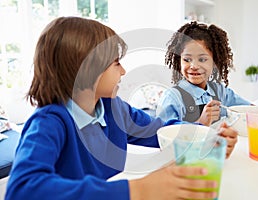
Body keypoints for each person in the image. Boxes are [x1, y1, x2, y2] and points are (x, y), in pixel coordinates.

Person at [5, 17, 238, 200]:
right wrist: (138, 191)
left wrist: (205, 136)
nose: (124, 71)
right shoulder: (49, 123)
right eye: (116, 63)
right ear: (88, 70)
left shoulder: (113, 108)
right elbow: (22, 190)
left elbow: (160, 131)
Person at [155, 21, 258, 137]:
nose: (194, 66)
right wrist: (201, 123)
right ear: (179, 61)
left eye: (202, 59)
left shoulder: (220, 92)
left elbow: (247, 109)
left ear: (215, 63)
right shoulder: (173, 98)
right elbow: (163, 137)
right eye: (187, 59)